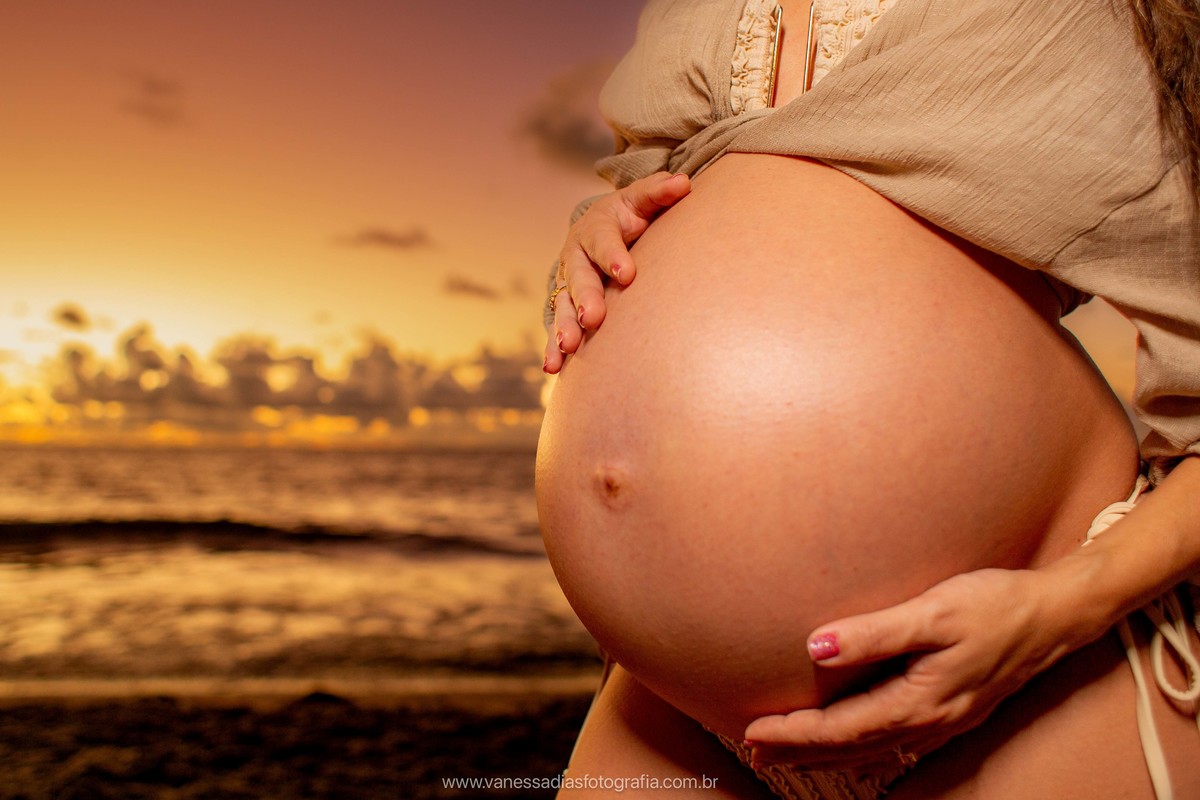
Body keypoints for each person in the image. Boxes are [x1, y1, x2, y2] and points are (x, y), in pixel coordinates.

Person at [535, 0, 1200, 797]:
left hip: (1036, 669)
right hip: (673, 714)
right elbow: (676, 183)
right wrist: (602, 229)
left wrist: (1056, 614)